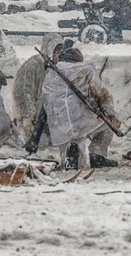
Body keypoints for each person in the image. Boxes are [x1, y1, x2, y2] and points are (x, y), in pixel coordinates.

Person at [42, 40, 120, 170]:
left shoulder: (52, 73)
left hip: (58, 119)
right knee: (108, 125)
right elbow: (103, 95)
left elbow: (46, 97)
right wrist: (110, 114)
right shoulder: (86, 70)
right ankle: (97, 155)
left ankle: (70, 159)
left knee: (68, 141)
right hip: (81, 116)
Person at [12, 33, 63, 144]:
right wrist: (29, 114)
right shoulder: (32, 66)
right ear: (50, 50)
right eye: (56, 52)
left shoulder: (51, 67)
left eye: (59, 52)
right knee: (38, 143)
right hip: (29, 116)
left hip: (43, 116)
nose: (58, 55)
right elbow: (23, 92)